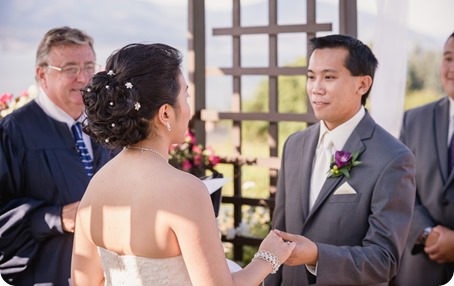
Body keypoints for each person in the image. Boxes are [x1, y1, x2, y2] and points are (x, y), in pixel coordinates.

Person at [70, 42, 295, 285]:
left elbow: (84, 281)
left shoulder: (97, 185)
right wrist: (267, 258)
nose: (188, 107)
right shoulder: (185, 190)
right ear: (165, 113)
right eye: (185, 95)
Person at [264, 34, 416, 286]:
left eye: (329, 77)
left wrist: (317, 255)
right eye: (311, 77)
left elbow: (384, 260)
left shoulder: (393, 158)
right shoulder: (294, 145)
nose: (316, 87)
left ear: (363, 85)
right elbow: (278, 232)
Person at [0, 26, 116, 285]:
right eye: (70, 68)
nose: (83, 78)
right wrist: (55, 217)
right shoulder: (14, 132)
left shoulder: (106, 125)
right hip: (49, 274)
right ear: (42, 75)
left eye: (88, 66)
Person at [392, 32, 454, 286]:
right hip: (419, 268)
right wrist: (426, 233)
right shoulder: (414, 119)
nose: (452, 68)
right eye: (448, 58)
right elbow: (399, 187)